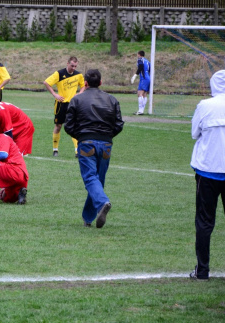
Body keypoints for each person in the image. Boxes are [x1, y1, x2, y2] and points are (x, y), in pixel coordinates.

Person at [189, 70, 225, 281]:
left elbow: (195, 133)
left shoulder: (205, 106)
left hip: (207, 170)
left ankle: (202, 271)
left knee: (204, 222)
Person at [65, 69, 124, 228]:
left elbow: (68, 126)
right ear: (100, 82)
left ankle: (102, 203)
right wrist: (107, 137)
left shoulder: (77, 100)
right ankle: (88, 218)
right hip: (106, 144)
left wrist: (81, 137)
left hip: (86, 142)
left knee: (91, 178)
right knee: (98, 180)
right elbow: (119, 124)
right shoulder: (111, 99)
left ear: (84, 83)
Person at [43, 56, 85, 157]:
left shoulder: (78, 75)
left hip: (73, 104)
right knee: (58, 126)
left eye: (75, 66)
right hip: (61, 104)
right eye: (72, 65)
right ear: (67, 63)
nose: (73, 68)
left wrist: (79, 93)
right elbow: (46, 82)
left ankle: (77, 151)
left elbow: (83, 86)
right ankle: (55, 150)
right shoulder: (59, 74)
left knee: (74, 126)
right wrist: (54, 94)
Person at [131, 50, 151, 115]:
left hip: (144, 78)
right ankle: (141, 110)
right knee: (144, 94)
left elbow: (140, 67)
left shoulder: (140, 60)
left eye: (137, 54)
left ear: (139, 54)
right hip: (148, 78)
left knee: (140, 93)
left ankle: (140, 111)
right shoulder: (147, 61)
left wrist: (135, 75)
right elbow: (150, 70)